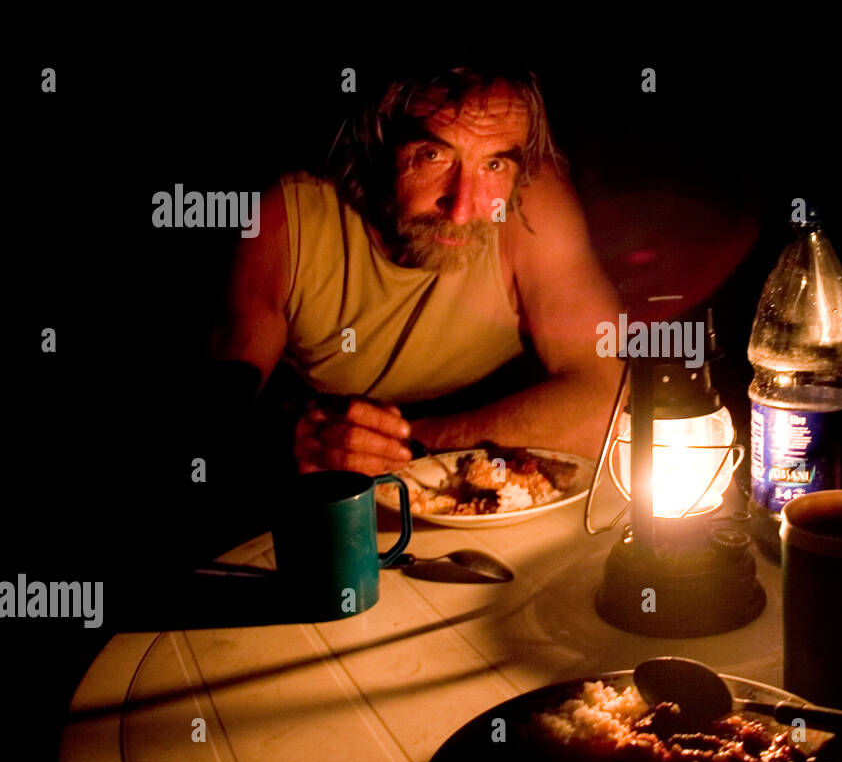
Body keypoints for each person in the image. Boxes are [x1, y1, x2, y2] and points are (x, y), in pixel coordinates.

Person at [209, 65, 623, 474]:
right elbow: (216, 419)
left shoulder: (533, 201)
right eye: (433, 155)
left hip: (497, 490)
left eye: (494, 165)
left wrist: (404, 450)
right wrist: (295, 438)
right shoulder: (288, 218)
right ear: (377, 141)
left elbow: (608, 401)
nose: (462, 210)